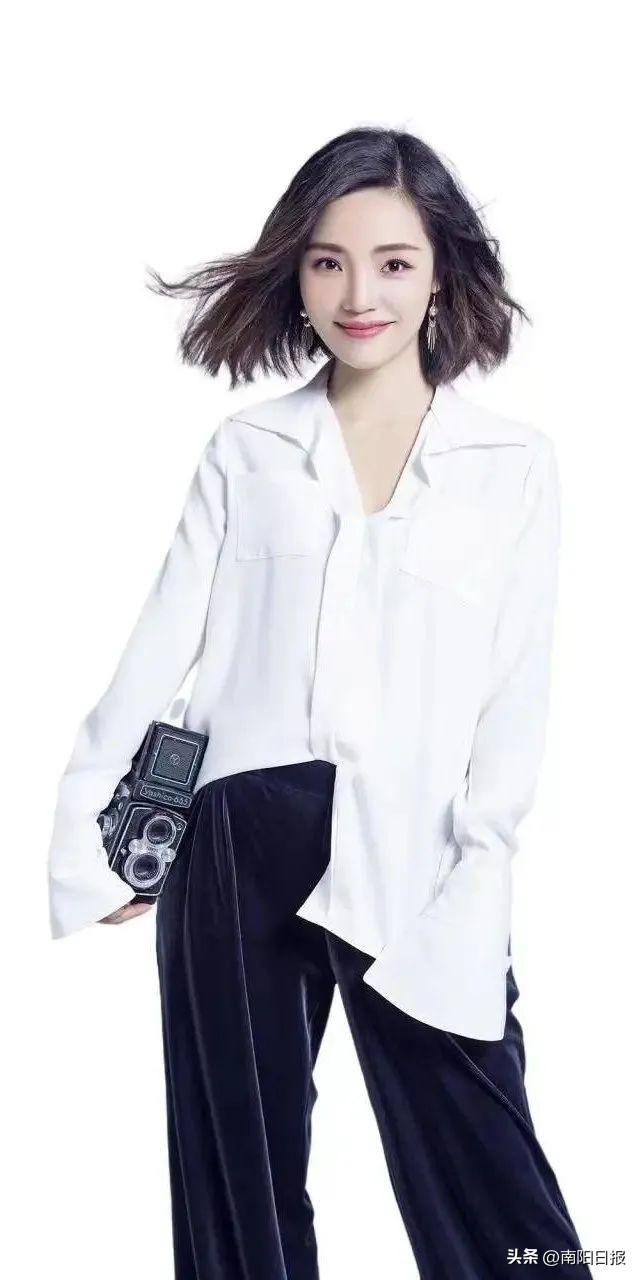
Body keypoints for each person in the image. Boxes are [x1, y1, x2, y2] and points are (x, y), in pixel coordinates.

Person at [47, 126, 593, 1279]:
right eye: (328, 261)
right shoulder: (248, 450)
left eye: (393, 262)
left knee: (505, 1209)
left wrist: (480, 870)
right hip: (239, 837)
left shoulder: (513, 465)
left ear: (440, 272)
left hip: (418, 853)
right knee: (234, 1194)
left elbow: (516, 697)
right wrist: (101, 847)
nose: (359, 294)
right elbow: (159, 655)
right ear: (296, 272)